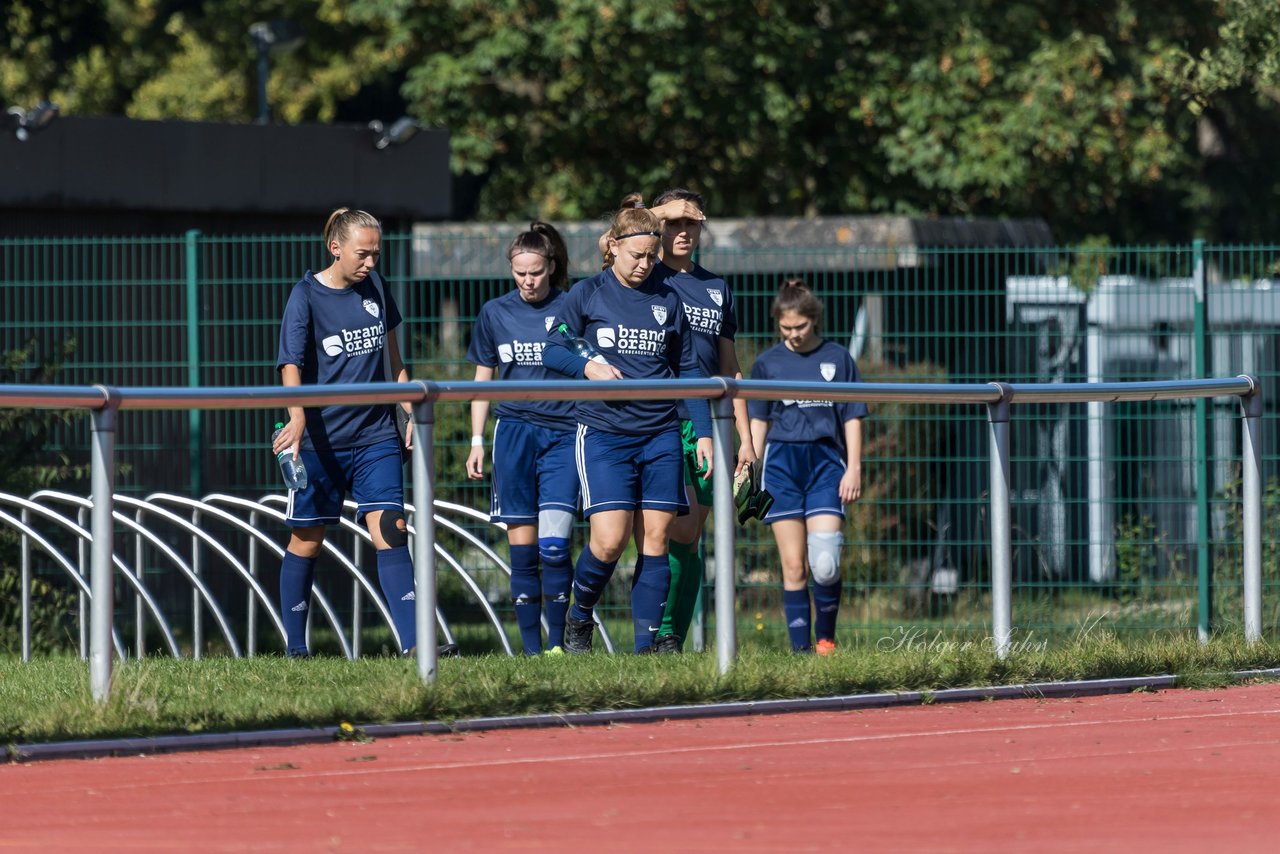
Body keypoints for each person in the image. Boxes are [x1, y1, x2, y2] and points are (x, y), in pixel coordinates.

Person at [273, 207, 456, 659]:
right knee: (307, 539)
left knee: (392, 529)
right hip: (320, 441)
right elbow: (290, 364)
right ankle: (296, 650)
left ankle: (416, 646)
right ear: (335, 248)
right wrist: (296, 417)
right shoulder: (306, 296)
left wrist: (406, 406)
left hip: (376, 437)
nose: (371, 263)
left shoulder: (374, 287)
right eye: (363, 253)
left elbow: (393, 357)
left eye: (377, 253)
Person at [541, 195, 715, 654]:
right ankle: (579, 620)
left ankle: (645, 652)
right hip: (603, 432)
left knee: (655, 540)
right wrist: (588, 367)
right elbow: (552, 348)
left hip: (660, 432)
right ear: (613, 247)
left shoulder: (668, 298)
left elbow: (691, 370)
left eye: (651, 256)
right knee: (610, 539)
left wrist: (703, 435)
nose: (644, 264)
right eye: (636, 255)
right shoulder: (587, 293)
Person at [647, 188, 756, 653]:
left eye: (690, 223)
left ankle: (672, 635)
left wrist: (746, 438)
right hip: (657, 420)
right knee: (665, 529)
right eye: (672, 223)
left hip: (710, 423)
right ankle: (650, 630)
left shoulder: (717, 288)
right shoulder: (643, 279)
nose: (682, 232)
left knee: (690, 534)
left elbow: (731, 368)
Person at [465, 222, 578, 655]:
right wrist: (477, 440)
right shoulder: (495, 312)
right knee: (524, 549)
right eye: (520, 273)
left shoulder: (571, 306)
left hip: (563, 434)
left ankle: (559, 645)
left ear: (550, 266)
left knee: (554, 544)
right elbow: (482, 377)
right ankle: (530, 652)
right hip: (512, 434)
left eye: (535, 272)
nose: (528, 281)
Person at [748, 278, 867, 655]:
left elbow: (852, 416)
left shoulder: (838, 358)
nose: (794, 334)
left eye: (800, 327)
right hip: (781, 465)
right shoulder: (766, 363)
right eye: (786, 328)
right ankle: (800, 653)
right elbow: (758, 420)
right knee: (794, 566)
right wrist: (749, 461)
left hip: (826, 465)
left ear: (814, 319)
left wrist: (854, 467)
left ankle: (826, 640)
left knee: (827, 563)